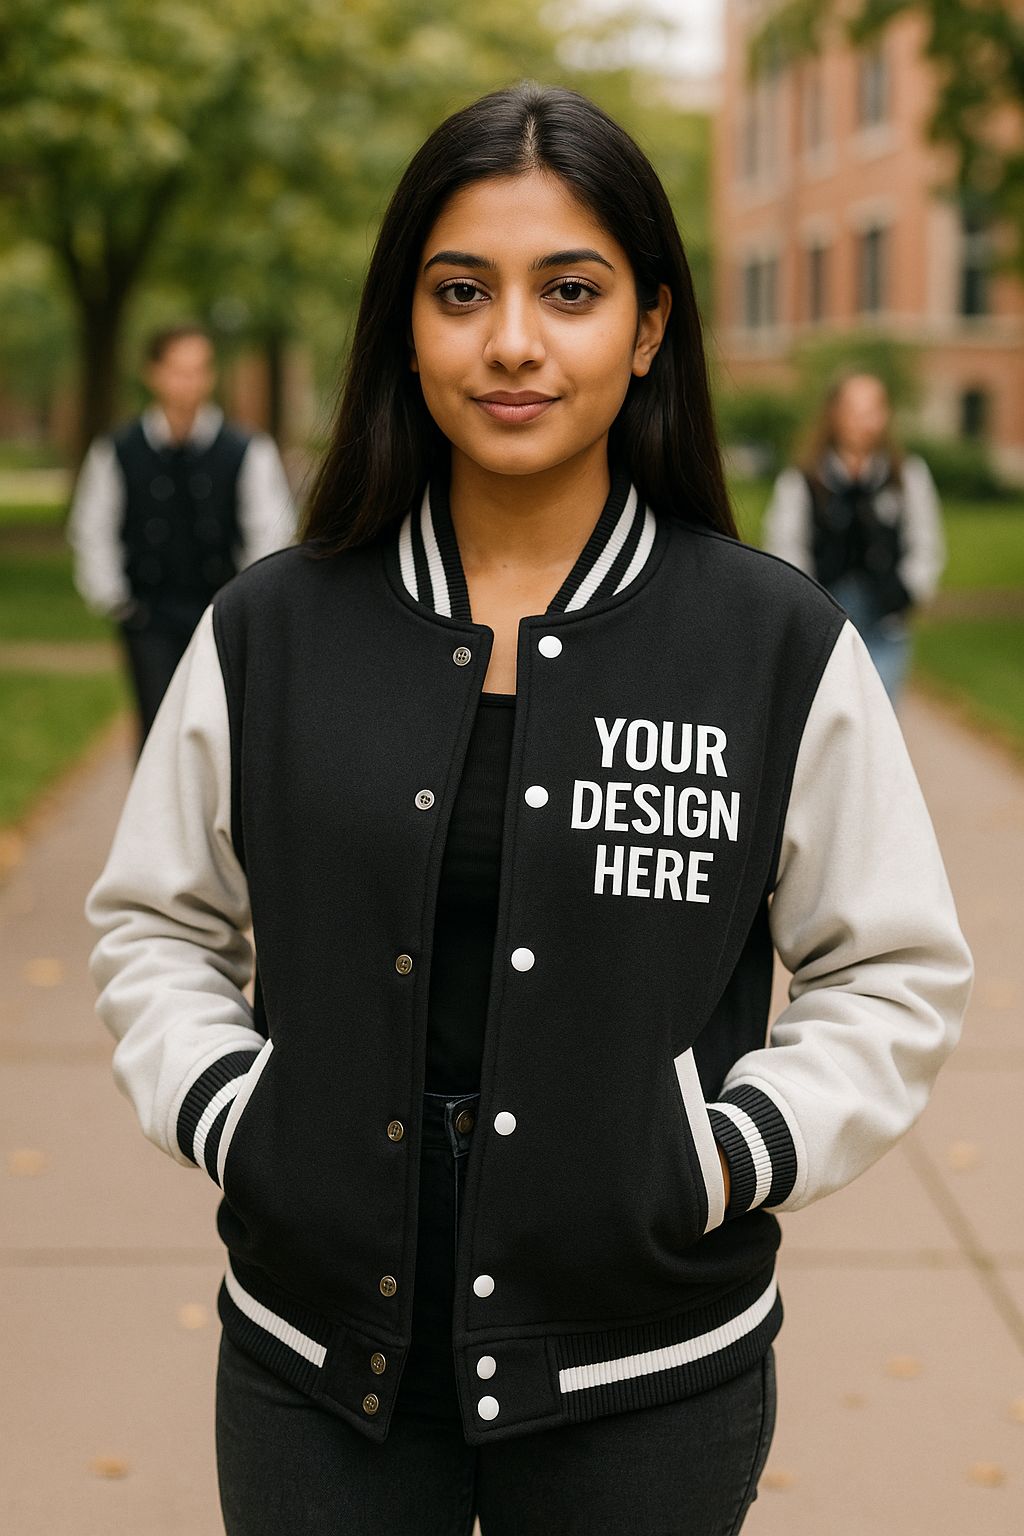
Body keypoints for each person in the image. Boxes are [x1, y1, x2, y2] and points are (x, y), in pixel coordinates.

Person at [83, 82, 973, 1535]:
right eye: (459, 292)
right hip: (317, 1365)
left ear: (648, 327)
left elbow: (895, 968)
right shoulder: (272, 631)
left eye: (570, 290)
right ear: (406, 326)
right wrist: (236, 1114)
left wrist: (725, 1153)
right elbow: (153, 923)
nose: (511, 341)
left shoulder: (768, 644)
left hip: (646, 1369)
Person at [66, 323, 297, 753]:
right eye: (177, 369)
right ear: (152, 374)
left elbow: (270, 534)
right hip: (148, 615)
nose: (188, 382)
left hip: (219, 613)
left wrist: (243, 606)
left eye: (198, 370)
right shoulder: (118, 449)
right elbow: (93, 527)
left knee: (223, 729)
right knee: (157, 731)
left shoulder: (246, 449)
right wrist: (115, 599)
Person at [761, 370, 946, 707]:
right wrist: (808, 608)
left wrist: (908, 592)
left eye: (875, 409)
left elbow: (926, 543)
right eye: (857, 410)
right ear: (835, 414)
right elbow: (786, 549)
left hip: (884, 626)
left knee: (881, 720)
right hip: (825, 629)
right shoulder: (803, 480)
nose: (867, 421)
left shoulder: (906, 476)